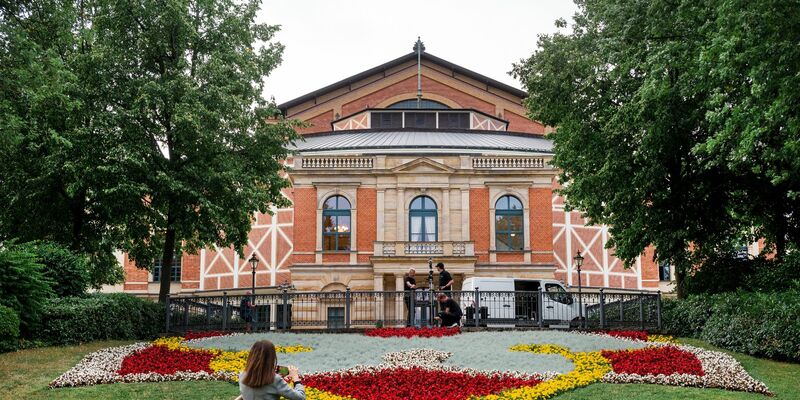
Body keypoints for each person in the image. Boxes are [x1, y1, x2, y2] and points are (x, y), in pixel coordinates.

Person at [239, 340, 305, 400]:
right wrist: (296, 379)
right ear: (271, 358)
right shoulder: (274, 380)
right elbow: (300, 398)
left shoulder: (242, 375)